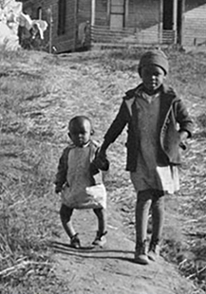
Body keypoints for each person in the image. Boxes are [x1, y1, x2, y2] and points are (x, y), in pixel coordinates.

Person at [98, 50, 193, 265]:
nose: (152, 78)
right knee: (143, 198)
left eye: (157, 74)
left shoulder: (171, 99)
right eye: (148, 73)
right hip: (140, 157)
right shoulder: (132, 100)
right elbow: (117, 125)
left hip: (162, 158)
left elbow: (187, 123)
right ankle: (139, 246)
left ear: (164, 75)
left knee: (158, 200)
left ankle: (155, 245)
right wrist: (104, 146)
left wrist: (180, 137)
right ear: (140, 74)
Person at [55, 115, 109, 248]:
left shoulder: (95, 149)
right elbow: (62, 168)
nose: (79, 136)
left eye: (83, 133)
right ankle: (73, 237)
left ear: (91, 132)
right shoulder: (68, 151)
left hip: (92, 189)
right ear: (69, 135)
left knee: (100, 210)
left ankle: (101, 235)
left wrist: (101, 163)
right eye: (74, 133)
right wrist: (58, 183)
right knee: (64, 212)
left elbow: (105, 165)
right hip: (73, 187)